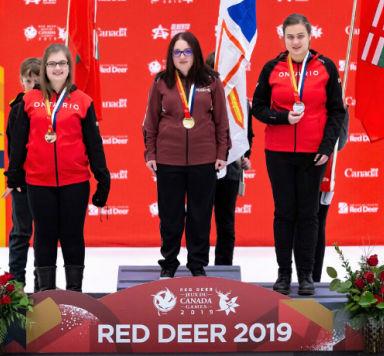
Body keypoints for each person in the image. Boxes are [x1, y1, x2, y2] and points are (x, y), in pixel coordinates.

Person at [3, 44, 110, 292]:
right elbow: (18, 144)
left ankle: (74, 293)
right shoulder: (29, 101)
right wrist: (14, 176)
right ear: (45, 69)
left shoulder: (83, 101)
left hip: (75, 181)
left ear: (69, 68)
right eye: (52, 64)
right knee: (44, 236)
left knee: (73, 236)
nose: (57, 68)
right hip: (39, 183)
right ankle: (46, 295)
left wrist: (103, 178)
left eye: (62, 63)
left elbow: (94, 145)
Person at [252, 13, 345, 295]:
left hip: (313, 155)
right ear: (283, 38)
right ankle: (283, 275)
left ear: (309, 36)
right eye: (290, 36)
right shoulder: (272, 68)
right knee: (283, 214)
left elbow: (337, 111)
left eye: (300, 36)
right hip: (278, 153)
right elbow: (257, 107)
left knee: (308, 214)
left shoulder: (326, 67)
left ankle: (306, 275)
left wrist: (327, 147)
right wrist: (281, 118)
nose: (295, 42)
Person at [143, 32, 231, 279]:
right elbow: (150, 121)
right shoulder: (161, 81)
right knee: (170, 215)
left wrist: (222, 151)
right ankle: (169, 262)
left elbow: (222, 120)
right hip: (168, 159)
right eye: (177, 52)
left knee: (199, 215)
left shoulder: (211, 80)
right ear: (171, 56)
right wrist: (151, 152)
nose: (182, 57)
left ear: (196, 53)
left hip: (204, 159)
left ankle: (197, 264)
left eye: (187, 51)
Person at [205, 51, 254, 266]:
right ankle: (199, 268)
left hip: (231, 170)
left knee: (226, 224)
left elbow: (247, 134)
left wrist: (246, 157)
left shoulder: (241, 101)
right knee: (200, 223)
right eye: (213, 71)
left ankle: (224, 271)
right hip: (202, 170)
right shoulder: (197, 97)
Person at [2, 58, 41, 293]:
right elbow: (14, 148)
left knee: (44, 237)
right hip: (24, 183)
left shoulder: (54, 107)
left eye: (38, 82)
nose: (33, 86)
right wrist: (14, 179)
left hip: (47, 182)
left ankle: (42, 286)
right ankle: (15, 288)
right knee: (20, 232)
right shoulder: (18, 109)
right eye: (28, 81)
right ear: (21, 82)